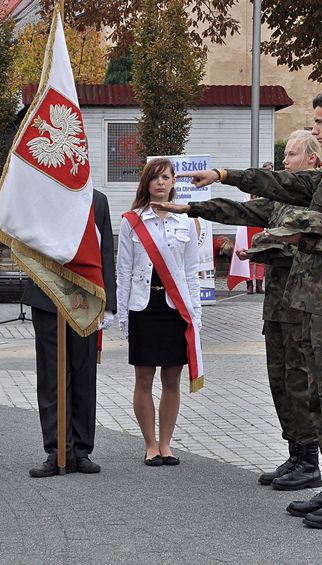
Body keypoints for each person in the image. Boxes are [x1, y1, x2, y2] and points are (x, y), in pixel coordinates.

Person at [188, 88, 322, 529]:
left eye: (319, 122)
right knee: (319, 394)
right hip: (319, 305)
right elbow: (285, 185)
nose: (314, 129)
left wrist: (300, 238)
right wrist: (224, 173)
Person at [155, 130, 322, 490]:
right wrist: (193, 208)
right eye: (286, 156)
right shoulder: (279, 203)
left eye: (292, 155)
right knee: (279, 380)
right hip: (278, 305)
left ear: (312, 160)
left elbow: (309, 246)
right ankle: (295, 453)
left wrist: (266, 248)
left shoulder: (319, 196)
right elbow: (241, 210)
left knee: (299, 382)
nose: (285, 162)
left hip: (304, 303)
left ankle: (310, 460)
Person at [23, 189, 117, 477]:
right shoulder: (38, 192)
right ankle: (56, 449)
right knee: (51, 375)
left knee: (83, 373)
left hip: (85, 299)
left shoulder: (97, 200)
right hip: (47, 297)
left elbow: (104, 253)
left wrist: (108, 304)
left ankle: (81, 450)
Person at [117, 158, 201, 467]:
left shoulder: (186, 221)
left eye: (166, 177)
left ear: (173, 182)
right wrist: (124, 316)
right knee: (143, 378)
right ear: (146, 183)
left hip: (174, 309)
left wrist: (196, 316)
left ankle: (166, 444)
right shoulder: (132, 221)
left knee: (172, 379)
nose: (161, 183)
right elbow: (123, 272)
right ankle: (150, 444)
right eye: (155, 177)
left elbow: (191, 273)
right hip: (143, 307)